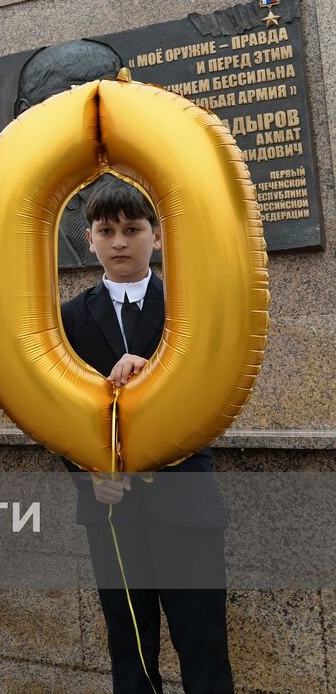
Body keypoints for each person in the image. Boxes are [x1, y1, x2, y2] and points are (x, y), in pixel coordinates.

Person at [62, 182, 232, 691]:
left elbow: (215, 389)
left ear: (156, 238)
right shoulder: (67, 319)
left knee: (204, 644)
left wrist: (156, 369)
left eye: (132, 230)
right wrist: (89, 473)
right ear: (89, 239)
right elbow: (55, 410)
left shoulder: (190, 305)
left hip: (188, 504)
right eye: (106, 231)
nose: (119, 242)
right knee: (130, 654)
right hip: (112, 513)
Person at [11, 39, 126, 268]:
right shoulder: (5, 207)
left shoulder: (145, 194)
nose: (91, 119)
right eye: (69, 103)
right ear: (25, 113)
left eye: (103, 103)